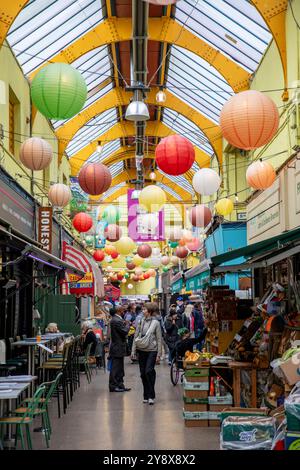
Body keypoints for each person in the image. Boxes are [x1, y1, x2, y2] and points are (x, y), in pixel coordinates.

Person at [131, 302, 162, 405]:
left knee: (149, 371)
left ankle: (151, 395)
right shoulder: (140, 321)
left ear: (150, 311)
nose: (142, 311)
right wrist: (133, 351)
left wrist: (159, 354)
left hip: (152, 350)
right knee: (143, 374)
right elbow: (136, 336)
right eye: (143, 309)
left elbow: (159, 339)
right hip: (141, 350)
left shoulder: (156, 323)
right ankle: (146, 395)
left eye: (144, 309)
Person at [109, 306, 131, 392]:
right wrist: (128, 325)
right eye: (122, 310)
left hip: (118, 347)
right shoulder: (116, 320)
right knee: (115, 368)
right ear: (119, 311)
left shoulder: (116, 319)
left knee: (119, 368)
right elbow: (124, 331)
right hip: (117, 347)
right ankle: (114, 386)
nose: (124, 311)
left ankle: (120, 384)